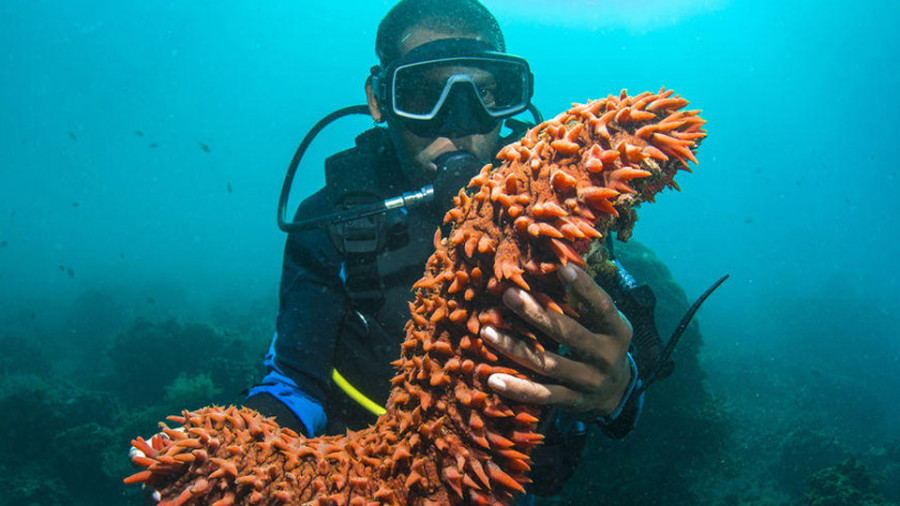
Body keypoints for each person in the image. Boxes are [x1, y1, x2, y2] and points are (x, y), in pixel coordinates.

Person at [245, 0, 651, 498]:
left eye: (487, 94)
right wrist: (249, 447)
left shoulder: (566, 206)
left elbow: (626, 366)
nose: (460, 123)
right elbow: (292, 380)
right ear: (379, 99)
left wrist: (619, 393)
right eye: (422, 94)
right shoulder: (330, 219)